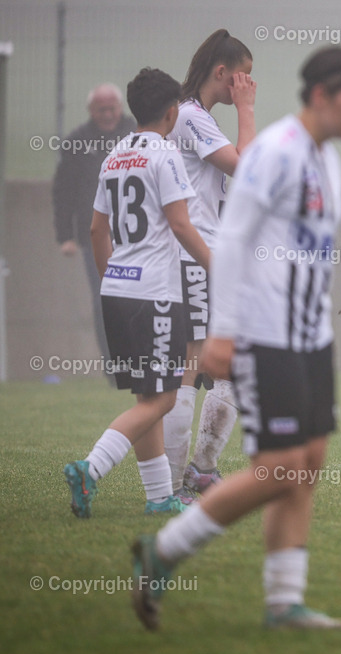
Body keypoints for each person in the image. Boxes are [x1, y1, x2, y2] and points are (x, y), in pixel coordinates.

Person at [131, 46, 341, 631]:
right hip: (265, 337)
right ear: (321, 96)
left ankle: (284, 603)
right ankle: (162, 551)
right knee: (280, 467)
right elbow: (234, 240)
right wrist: (224, 331)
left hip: (311, 339)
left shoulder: (327, 161)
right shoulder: (276, 152)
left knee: (306, 463)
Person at [62, 68, 211, 518]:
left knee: (147, 398)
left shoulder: (114, 154)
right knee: (164, 397)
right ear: (172, 112)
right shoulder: (165, 154)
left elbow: (95, 229)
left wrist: (114, 278)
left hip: (118, 291)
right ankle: (91, 467)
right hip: (157, 294)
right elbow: (182, 224)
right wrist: (216, 267)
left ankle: (159, 497)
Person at [162, 29, 257, 503]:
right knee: (191, 364)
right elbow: (245, 165)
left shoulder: (196, 118)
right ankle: (177, 486)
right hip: (196, 258)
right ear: (223, 73)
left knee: (231, 365)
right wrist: (247, 110)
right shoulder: (192, 117)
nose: (247, 86)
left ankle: (200, 471)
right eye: (244, 77)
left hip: (211, 257)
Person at [52, 83, 135, 364]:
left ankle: (142, 359)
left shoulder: (137, 134)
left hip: (136, 235)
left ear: (120, 108)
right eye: (102, 109)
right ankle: (114, 365)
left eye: (112, 108)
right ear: (91, 111)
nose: (108, 114)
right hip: (94, 238)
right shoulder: (77, 142)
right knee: (105, 300)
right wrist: (65, 236)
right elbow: (63, 192)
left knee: (140, 297)